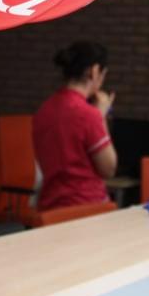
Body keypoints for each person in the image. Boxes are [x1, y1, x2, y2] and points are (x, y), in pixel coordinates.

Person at [32, 41, 118, 211]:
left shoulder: (44, 110)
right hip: (86, 209)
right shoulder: (89, 115)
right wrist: (101, 116)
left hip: (50, 209)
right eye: (103, 75)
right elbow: (109, 168)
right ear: (94, 71)